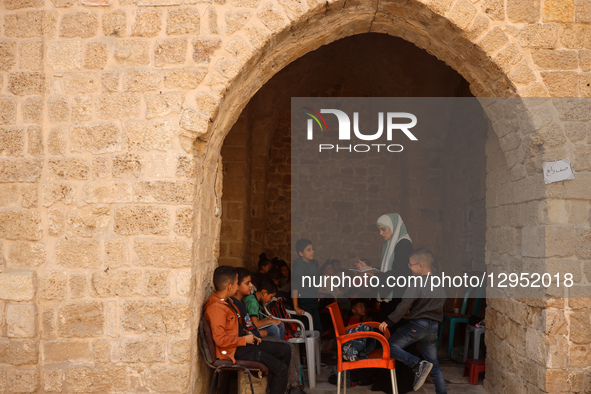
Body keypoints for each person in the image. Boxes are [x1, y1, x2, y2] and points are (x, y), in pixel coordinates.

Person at [203, 265, 291, 394]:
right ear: (230, 287)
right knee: (280, 368)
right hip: (233, 350)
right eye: (236, 284)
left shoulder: (228, 302)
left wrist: (249, 334)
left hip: (241, 344)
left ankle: (273, 389)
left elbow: (235, 328)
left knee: (285, 349)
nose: (238, 287)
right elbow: (220, 340)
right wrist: (244, 339)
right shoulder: (216, 308)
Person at [378, 248, 447, 394]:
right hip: (433, 327)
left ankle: (417, 364)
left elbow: (404, 304)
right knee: (434, 365)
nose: (408, 267)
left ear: (421, 265)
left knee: (388, 346)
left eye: (410, 264)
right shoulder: (439, 282)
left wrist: (389, 320)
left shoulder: (416, 282)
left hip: (418, 326)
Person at [232, 268, 306, 394]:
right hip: (247, 344)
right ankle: (292, 385)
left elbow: (246, 327)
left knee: (287, 348)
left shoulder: (240, 302)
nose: (251, 286)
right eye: (247, 283)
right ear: (234, 286)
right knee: (284, 350)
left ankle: (292, 385)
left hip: (252, 339)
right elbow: (246, 329)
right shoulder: (240, 303)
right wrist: (259, 331)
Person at [291, 238, 322, 333]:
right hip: (304, 303)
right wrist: (296, 307)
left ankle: (315, 347)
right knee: (307, 329)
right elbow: (295, 287)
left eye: (312, 249)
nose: (312, 252)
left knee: (317, 328)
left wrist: (316, 294)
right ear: (301, 253)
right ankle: (307, 348)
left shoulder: (311, 265)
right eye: (308, 250)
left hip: (312, 302)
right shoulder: (299, 266)